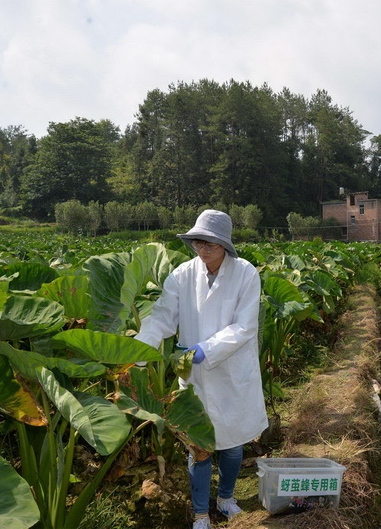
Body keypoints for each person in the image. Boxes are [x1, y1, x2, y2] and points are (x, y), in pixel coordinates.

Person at [134, 209, 268, 529]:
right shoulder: (182, 275)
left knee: (233, 444)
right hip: (193, 378)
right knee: (199, 445)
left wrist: (206, 349)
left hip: (231, 371)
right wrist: (137, 351)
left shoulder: (245, 273)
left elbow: (244, 327)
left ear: (225, 246)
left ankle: (226, 498)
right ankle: (199, 513)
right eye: (197, 242)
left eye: (210, 244)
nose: (202, 250)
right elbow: (163, 317)